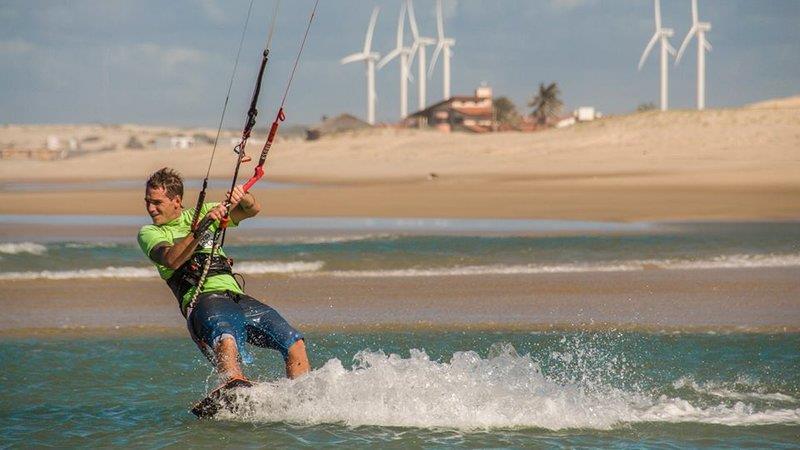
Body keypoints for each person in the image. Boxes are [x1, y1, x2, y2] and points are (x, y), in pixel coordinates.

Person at [137, 167, 310, 387]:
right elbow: (171, 259)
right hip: (202, 299)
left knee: (294, 342)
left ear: (176, 201)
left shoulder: (205, 211)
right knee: (226, 339)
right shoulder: (150, 233)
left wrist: (242, 197)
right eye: (147, 202)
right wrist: (203, 227)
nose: (150, 208)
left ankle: (303, 397)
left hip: (236, 296)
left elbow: (252, 209)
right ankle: (234, 387)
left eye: (157, 202)